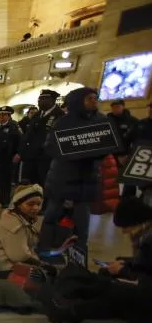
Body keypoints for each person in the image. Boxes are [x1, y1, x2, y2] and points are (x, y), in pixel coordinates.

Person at [42, 197, 152, 323]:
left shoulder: (148, 241)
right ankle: (72, 303)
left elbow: (145, 277)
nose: (125, 233)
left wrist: (124, 270)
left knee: (114, 291)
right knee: (107, 281)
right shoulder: (146, 237)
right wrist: (126, 264)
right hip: (142, 287)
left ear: (138, 221)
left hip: (145, 294)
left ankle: (70, 309)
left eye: (126, 227)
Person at [40, 88, 107, 249]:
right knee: (53, 213)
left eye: (95, 98)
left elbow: (108, 145)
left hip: (86, 177)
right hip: (63, 176)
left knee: (82, 218)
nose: (94, 101)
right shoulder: (64, 122)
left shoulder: (101, 121)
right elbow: (50, 147)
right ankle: (46, 246)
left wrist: (95, 152)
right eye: (89, 98)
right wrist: (70, 152)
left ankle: (79, 250)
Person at [0, 183, 43, 275]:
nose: (36, 208)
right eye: (30, 204)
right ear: (18, 204)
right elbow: (20, 256)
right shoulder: (15, 225)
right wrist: (42, 264)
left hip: (10, 264)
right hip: (6, 268)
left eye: (38, 204)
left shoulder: (21, 218)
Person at [16, 90, 64, 186]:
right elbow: (27, 136)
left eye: (43, 99)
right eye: (39, 99)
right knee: (28, 187)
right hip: (31, 159)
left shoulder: (59, 115)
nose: (40, 101)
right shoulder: (37, 115)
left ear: (52, 100)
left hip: (46, 160)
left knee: (43, 186)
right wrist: (21, 152)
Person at [108, 99, 141, 198]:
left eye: (118, 107)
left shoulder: (133, 121)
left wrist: (126, 153)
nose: (115, 109)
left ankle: (128, 197)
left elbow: (136, 138)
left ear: (123, 106)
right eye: (113, 107)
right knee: (112, 177)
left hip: (127, 153)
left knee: (128, 176)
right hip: (111, 153)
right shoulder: (107, 121)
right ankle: (114, 196)